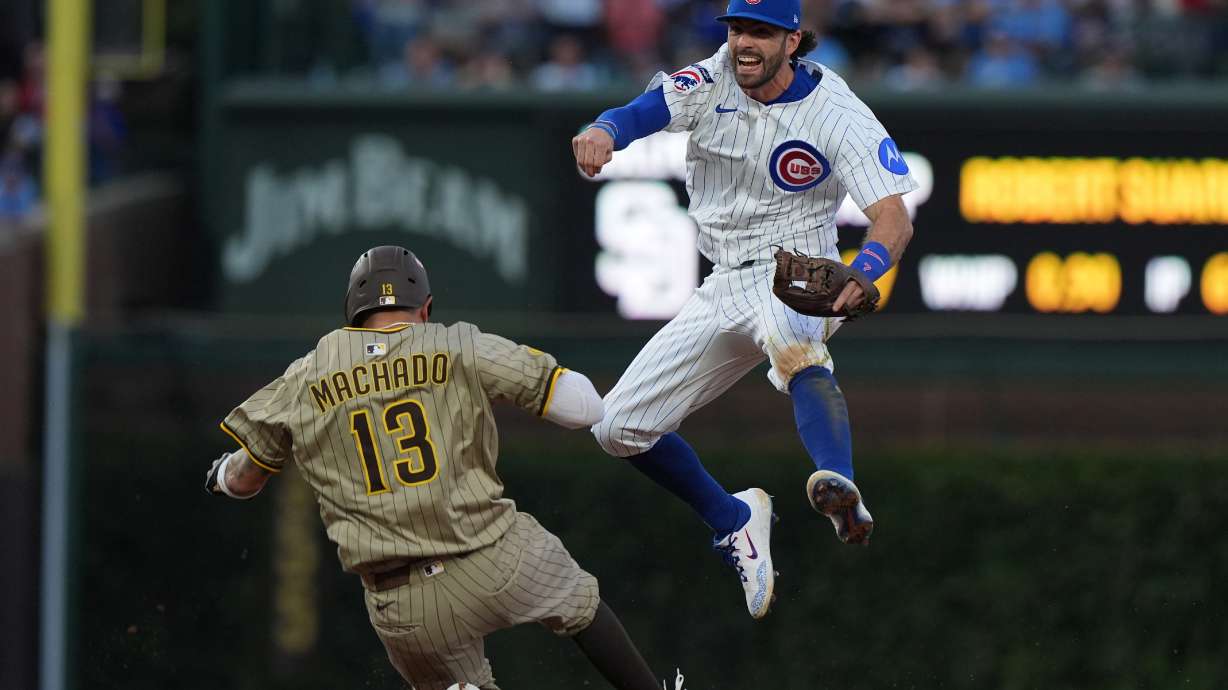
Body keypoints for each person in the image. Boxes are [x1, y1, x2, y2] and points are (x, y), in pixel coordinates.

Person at [571, 0, 917, 620]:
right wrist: (604, 129)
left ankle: (838, 481)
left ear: (793, 39)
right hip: (722, 279)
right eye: (735, 29)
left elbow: (892, 218)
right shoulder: (712, 79)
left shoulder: (836, 112)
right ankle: (735, 520)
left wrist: (865, 271)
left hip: (795, 267)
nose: (743, 43)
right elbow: (644, 110)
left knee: (796, 346)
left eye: (760, 31)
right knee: (616, 426)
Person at [205, 246, 679, 690]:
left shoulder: (304, 377)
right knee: (580, 606)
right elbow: (583, 409)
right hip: (495, 557)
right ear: (425, 308)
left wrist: (222, 476)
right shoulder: (456, 345)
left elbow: (244, 478)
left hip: (404, 604)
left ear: (353, 313)